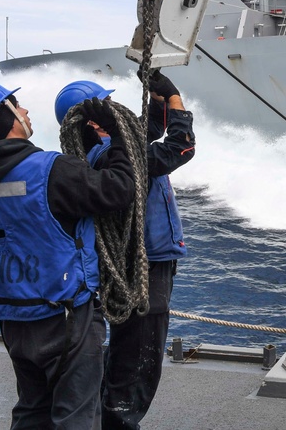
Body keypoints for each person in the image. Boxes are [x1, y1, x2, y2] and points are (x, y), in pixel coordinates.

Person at [0, 78, 135, 429]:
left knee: (33, 411)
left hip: (12, 319)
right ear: (4, 116)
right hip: (63, 317)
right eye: (16, 105)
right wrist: (116, 134)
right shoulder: (51, 169)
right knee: (76, 415)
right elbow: (119, 190)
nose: (25, 110)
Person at [55, 71, 195, 429]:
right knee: (135, 364)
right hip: (143, 266)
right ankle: (118, 421)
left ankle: (110, 418)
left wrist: (159, 98)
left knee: (126, 354)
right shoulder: (116, 158)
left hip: (140, 261)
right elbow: (181, 146)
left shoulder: (104, 154)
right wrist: (176, 97)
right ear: (97, 121)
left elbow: (143, 132)